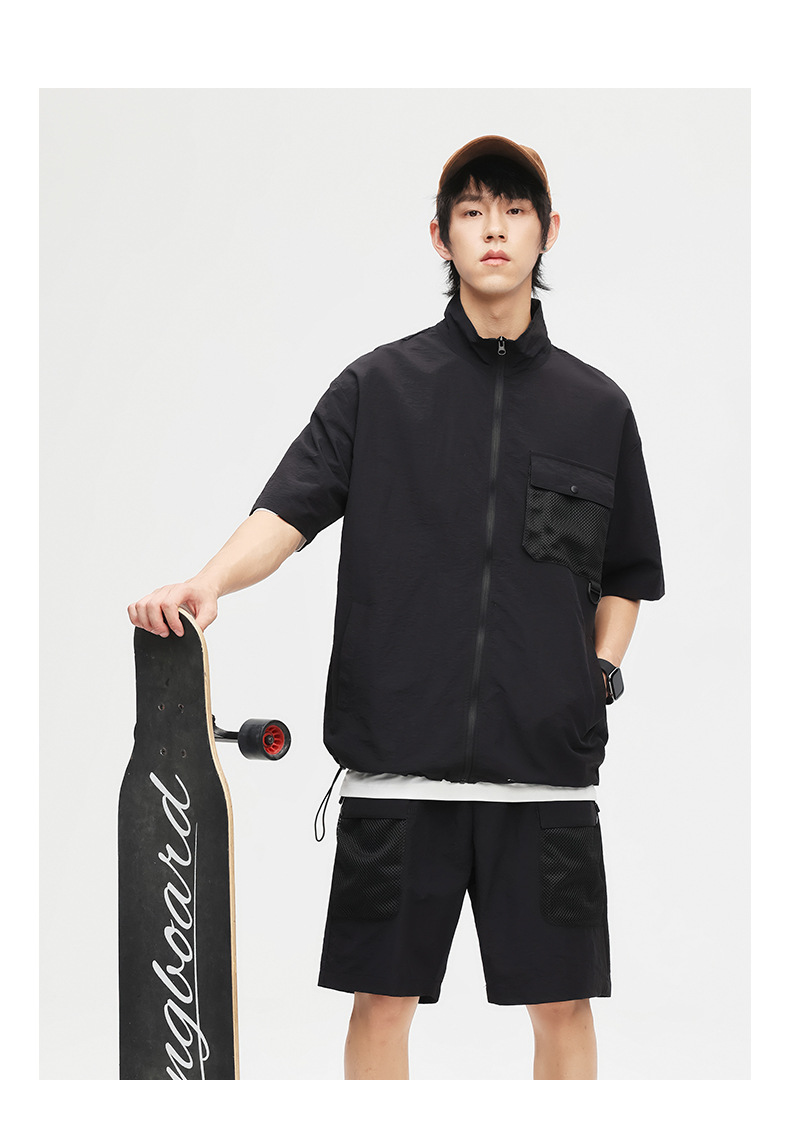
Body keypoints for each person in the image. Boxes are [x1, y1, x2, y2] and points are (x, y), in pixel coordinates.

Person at [128, 134, 665, 1080]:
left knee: (564, 1007)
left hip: (544, 781)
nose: (493, 229)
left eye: (513, 210)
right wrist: (208, 582)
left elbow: (627, 570)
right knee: (381, 1005)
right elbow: (287, 512)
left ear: (547, 232)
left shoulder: (597, 408)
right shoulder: (378, 388)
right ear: (439, 235)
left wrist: (597, 674)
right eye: (471, 211)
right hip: (395, 778)